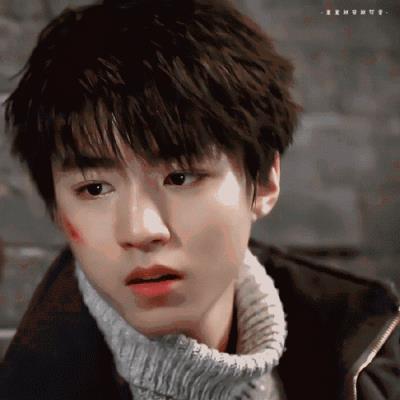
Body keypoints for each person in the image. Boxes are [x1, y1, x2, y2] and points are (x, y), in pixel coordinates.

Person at [0, 1, 398, 399]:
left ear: (264, 182)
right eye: (95, 189)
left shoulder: (372, 359)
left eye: (180, 178)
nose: (140, 230)